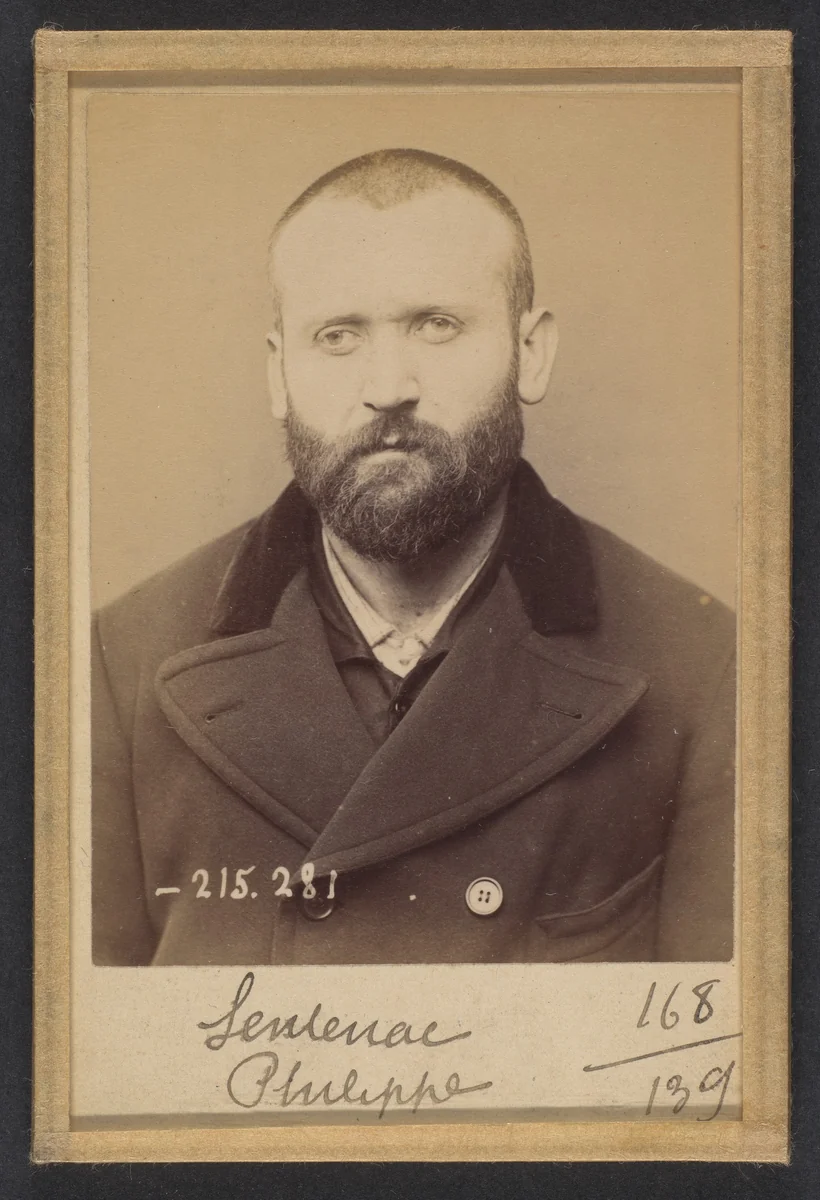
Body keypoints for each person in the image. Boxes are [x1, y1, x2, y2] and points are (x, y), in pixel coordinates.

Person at [92, 148, 735, 967]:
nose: (388, 384)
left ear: (530, 353)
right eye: (337, 336)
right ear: (278, 372)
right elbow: (90, 1068)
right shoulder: (117, 665)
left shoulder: (706, 667)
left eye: (437, 325)